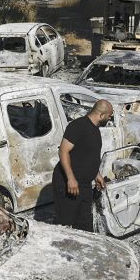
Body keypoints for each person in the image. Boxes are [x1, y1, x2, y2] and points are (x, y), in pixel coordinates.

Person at [51, 99, 113, 231]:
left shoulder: (95, 130)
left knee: (84, 225)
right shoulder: (78, 126)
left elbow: (88, 156)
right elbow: (63, 151)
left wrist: (97, 174)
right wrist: (71, 179)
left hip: (84, 185)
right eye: (109, 115)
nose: (110, 118)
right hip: (68, 183)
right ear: (101, 115)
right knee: (64, 224)